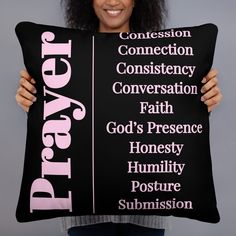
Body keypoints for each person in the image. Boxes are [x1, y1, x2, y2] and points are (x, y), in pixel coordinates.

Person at [15, 0, 222, 235]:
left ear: (138, 2)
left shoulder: (163, 59)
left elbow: (174, 121)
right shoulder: (63, 60)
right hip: (85, 216)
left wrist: (202, 99)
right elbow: (58, 129)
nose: (113, 1)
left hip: (146, 216)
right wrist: (33, 103)